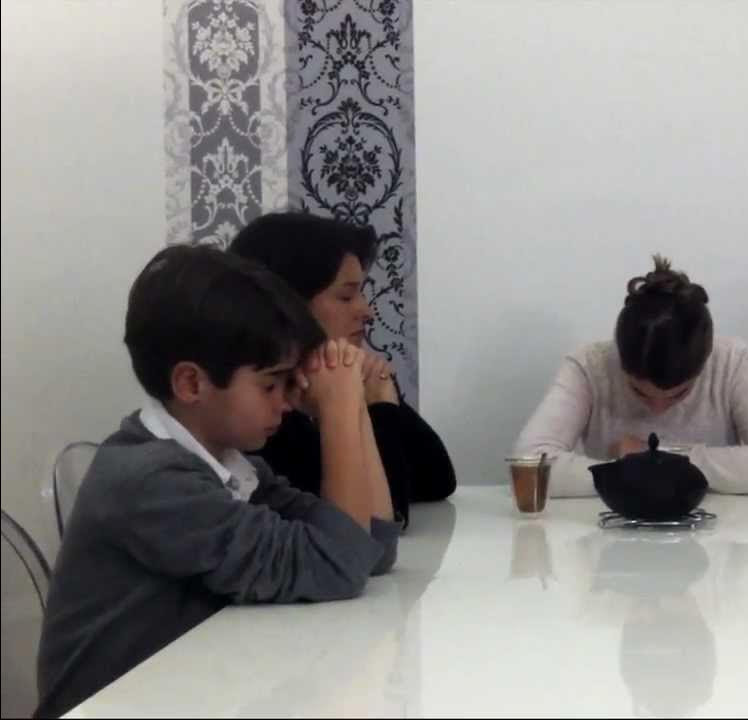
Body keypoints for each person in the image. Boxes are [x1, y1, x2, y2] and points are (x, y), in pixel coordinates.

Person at [36, 246, 400, 718]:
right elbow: (339, 566)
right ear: (192, 384)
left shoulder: (224, 463)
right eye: (270, 384)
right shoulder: (151, 481)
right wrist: (338, 409)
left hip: (184, 694)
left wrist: (353, 406)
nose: (286, 402)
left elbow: (372, 548)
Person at [513, 254, 748, 497]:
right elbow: (527, 466)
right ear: (619, 357)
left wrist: (653, 457)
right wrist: (633, 472)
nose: (657, 408)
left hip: (715, 532)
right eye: (639, 392)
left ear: (705, 361)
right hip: (611, 533)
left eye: (679, 394)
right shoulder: (589, 365)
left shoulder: (731, 361)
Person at [229, 211, 456, 527]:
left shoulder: (330, 377)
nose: (367, 310)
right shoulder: (266, 410)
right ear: (289, 301)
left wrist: (378, 402)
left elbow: (437, 480)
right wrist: (377, 409)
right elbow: (378, 521)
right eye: (347, 296)